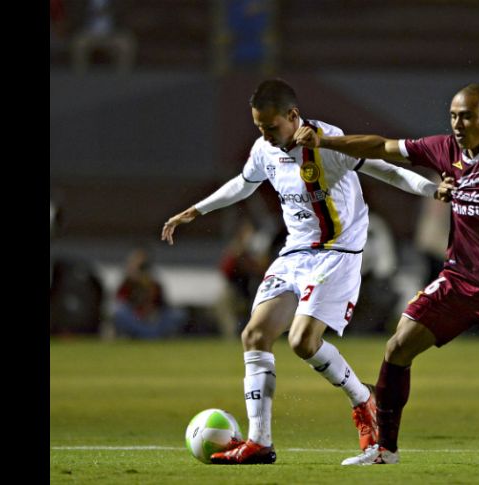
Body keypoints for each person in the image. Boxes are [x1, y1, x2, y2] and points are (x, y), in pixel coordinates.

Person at [161, 79, 451, 465]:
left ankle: (364, 400)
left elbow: (387, 171)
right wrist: (195, 211)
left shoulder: (328, 142)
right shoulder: (265, 149)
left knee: (302, 342)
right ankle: (260, 442)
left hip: (338, 253)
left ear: (293, 116)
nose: (264, 135)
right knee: (255, 334)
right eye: (258, 127)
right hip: (295, 253)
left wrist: (432, 190)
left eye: (270, 126)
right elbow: (243, 185)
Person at [295, 82, 479, 465]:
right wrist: (325, 142)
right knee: (398, 346)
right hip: (458, 279)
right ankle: (384, 449)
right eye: (453, 115)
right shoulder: (445, 149)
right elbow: (381, 147)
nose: (457, 123)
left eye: (467, 116)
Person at [112, 247, 187, 339]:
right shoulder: (127, 283)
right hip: (135, 320)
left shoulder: (154, 283)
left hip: (153, 321)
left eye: (144, 266)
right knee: (118, 312)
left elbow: (162, 305)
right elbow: (120, 303)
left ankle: (152, 335)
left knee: (178, 315)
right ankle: (142, 335)